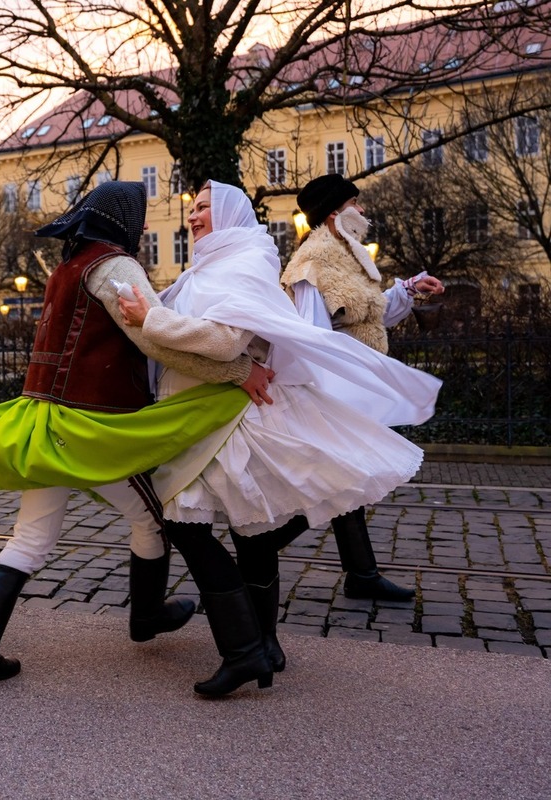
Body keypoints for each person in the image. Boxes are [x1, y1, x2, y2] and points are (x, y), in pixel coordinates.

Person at [0, 181, 276, 682]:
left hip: (43, 420)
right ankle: (151, 617)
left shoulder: (69, 265)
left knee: (30, 538)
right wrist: (239, 372)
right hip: (86, 425)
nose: (146, 227)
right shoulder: (114, 266)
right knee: (158, 520)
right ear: (122, 221)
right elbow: (154, 341)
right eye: (141, 217)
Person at [118, 181, 441, 695]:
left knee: (195, 525)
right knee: (252, 533)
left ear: (229, 214)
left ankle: (249, 648)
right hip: (206, 413)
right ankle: (261, 647)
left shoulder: (242, 263)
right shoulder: (212, 265)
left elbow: (227, 341)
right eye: (192, 208)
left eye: (204, 209)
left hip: (229, 421)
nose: (194, 217)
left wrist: (152, 319)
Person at [280, 174, 445, 601]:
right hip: (333, 393)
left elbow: (371, 316)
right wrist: (324, 396)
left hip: (351, 390)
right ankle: (260, 546)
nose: (364, 211)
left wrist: (409, 288)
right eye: (358, 203)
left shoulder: (348, 257)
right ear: (337, 212)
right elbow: (309, 335)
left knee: (346, 480)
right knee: (340, 479)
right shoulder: (312, 263)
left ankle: (361, 574)